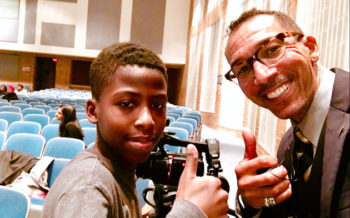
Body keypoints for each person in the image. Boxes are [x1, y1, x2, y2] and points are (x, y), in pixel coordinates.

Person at [42, 42, 229, 218]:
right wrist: (191, 212)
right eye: (127, 104)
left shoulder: (120, 170)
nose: (147, 120)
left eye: (157, 105)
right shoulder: (87, 186)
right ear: (93, 111)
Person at [224, 8, 349, 217]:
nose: (261, 77)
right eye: (243, 69)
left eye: (272, 50)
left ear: (311, 48)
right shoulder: (290, 145)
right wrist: (251, 202)